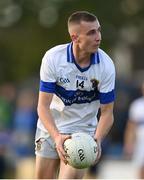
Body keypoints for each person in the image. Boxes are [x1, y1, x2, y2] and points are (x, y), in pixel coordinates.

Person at [35, 11, 116, 179]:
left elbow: (107, 113)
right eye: (91, 32)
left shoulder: (106, 65)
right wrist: (57, 136)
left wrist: (97, 139)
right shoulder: (53, 58)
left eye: (99, 30)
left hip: (83, 132)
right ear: (75, 37)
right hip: (51, 128)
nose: (98, 37)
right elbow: (42, 106)